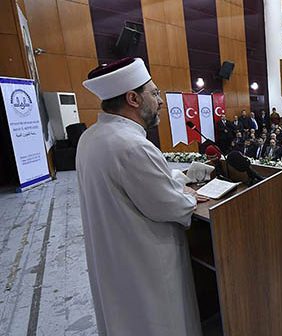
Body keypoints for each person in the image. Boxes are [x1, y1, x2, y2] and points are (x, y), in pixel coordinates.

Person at [77, 57, 204, 336]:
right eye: (155, 93)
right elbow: (170, 206)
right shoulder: (132, 145)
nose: (159, 101)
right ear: (133, 98)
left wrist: (178, 179)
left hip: (114, 258)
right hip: (144, 263)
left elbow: (135, 184)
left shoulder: (91, 137)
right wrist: (189, 196)